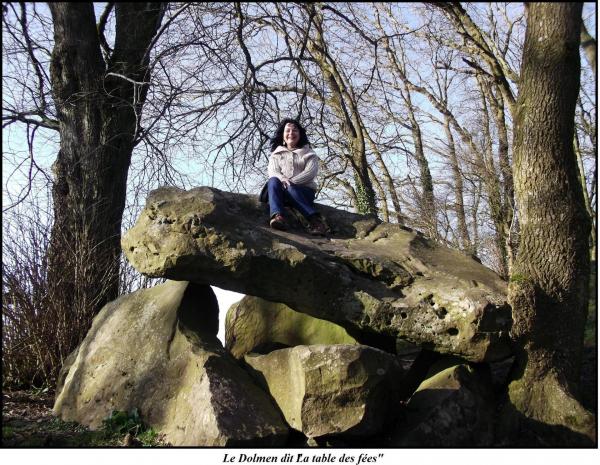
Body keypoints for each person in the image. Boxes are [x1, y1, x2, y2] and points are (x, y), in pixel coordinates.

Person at [265, 118, 327, 235]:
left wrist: (291, 182)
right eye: (287, 131)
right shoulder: (276, 154)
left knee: (290, 187)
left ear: (300, 134)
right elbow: (273, 171)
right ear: (283, 135)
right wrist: (283, 180)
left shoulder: (309, 153)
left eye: (295, 130)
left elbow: (310, 172)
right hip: (279, 193)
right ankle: (278, 217)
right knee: (273, 180)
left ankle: (316, 222)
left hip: (303, 192)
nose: (291, 133)